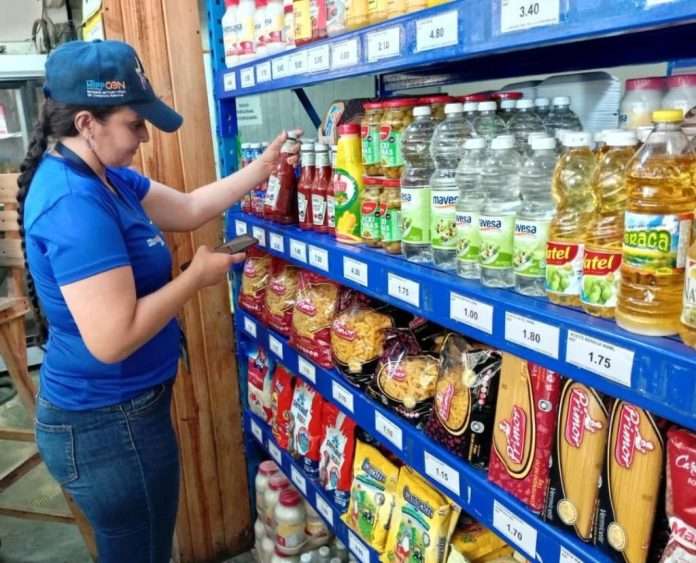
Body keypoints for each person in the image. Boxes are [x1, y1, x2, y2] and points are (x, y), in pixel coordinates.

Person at [19, 40, 298, 563]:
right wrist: (195, 278)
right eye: (134, 125)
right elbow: (113, 339)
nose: (144, 138)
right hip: (107, 425)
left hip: (121, 415)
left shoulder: (106, 177)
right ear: (87, 123)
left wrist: (263, 168)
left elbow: (189, 208)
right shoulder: (74, 203)